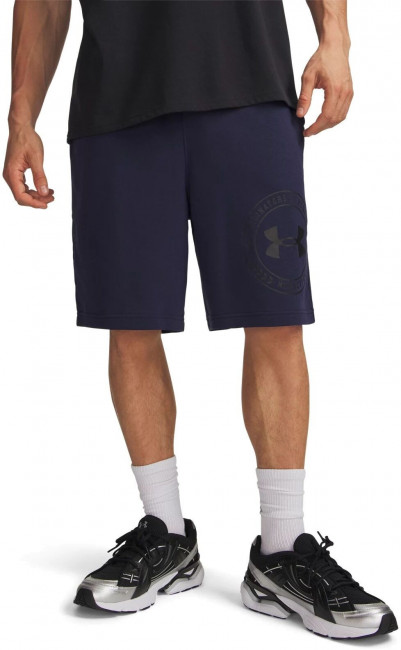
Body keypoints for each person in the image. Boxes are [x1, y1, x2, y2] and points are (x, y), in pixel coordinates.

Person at [3, 0, 397, 639]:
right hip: (117, 101)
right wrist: (22, 115)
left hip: (252, 88)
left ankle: (282, 550)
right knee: (130, 322)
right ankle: (166, 533)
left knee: (275, 318)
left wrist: (336, 37)